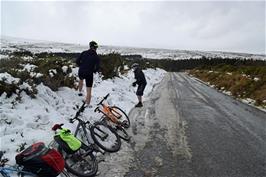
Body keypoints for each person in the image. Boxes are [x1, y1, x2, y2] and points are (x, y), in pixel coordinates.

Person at [76, 41, 100, 105]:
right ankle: (87, 104)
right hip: (89, 74)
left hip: (81, 71)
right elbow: (97, 67)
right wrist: (93, 70)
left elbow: (77, 61)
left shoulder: (84, 52)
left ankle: (79, 92)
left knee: (81, 79)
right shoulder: (96, 56)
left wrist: (81, 65)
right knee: (89, 89)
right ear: (95, 48)